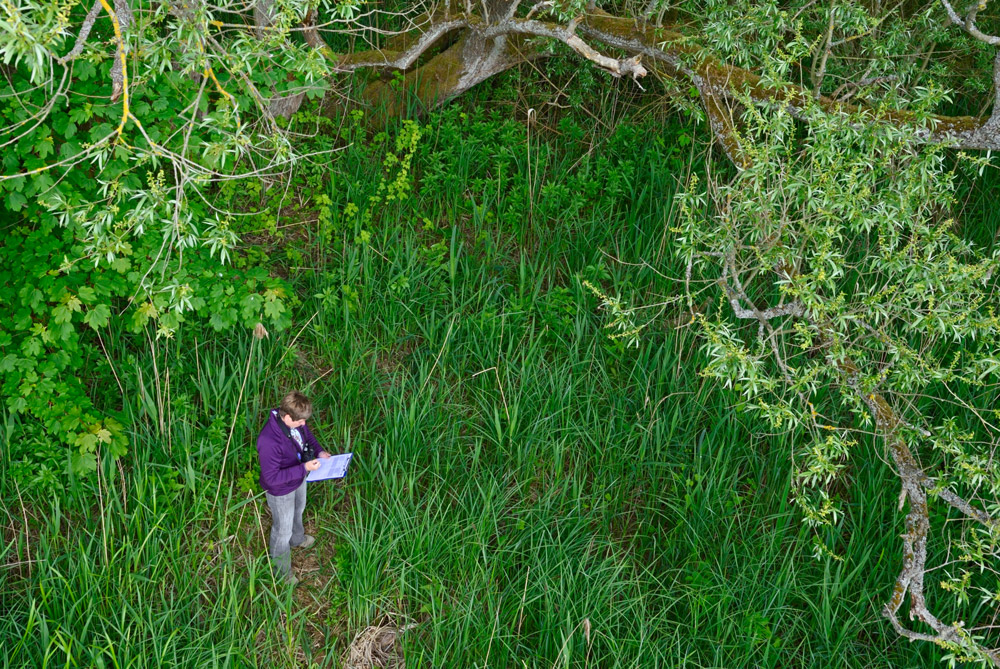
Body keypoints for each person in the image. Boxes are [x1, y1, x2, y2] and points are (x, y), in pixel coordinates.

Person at [256, 390, 331, 585]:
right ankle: (282, 573)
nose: (304, 424)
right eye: (300, 421)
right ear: (288, 416)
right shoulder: (268, 441)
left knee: (299, 509)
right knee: (282, 530)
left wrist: (320, 451)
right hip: (281, 490)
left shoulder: (295, 423)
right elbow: (272, 478)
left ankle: (297, 539)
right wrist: (304, 468)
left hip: (298, 478)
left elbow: (307, 436)